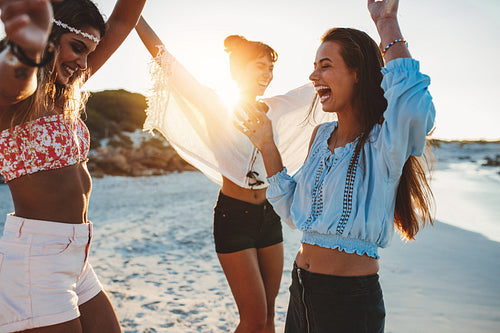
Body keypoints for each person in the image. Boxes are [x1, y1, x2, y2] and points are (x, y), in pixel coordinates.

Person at [235, 0, 436, 331]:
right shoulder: (321, 135)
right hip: (301, 290)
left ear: (357, 73)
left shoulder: (384, 141)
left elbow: (413, 106)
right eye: (315, 66)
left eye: (325, 65)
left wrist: (387, 22)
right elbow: (292, 212)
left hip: (349, 304)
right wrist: (267, 145)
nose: (313, 76)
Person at [135, 17, 332, 332]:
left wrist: (374, 49)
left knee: (268, 316)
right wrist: (134, 17)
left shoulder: (276, 107)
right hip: (233, 218)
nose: (267, 74)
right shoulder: (215, 105)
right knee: (252, 318)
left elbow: (318, 88)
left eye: (270, 68)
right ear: (238, 70)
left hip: (268, 215)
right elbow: (168, 62)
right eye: (259, 66)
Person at [0, 0, 146, 331]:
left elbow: (124, 19)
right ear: (48, 39)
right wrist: (30, 31)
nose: (83, 63)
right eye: (77, 48)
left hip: (75, 252)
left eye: (89, 53)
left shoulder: (66, 91)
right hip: (34, 260)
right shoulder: (14, 97)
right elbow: (19, 74)